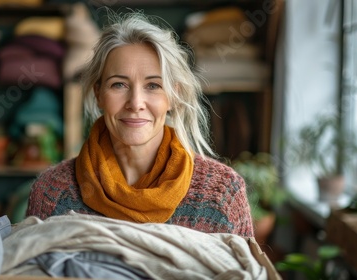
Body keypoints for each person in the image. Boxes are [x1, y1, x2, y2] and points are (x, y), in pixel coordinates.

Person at [26, 12, 254, 237]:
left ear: (173, 96)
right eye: (119, 85)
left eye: (153, 85)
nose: (135, 103)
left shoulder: (222, 194)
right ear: (98, 93)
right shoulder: (52, 191)